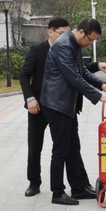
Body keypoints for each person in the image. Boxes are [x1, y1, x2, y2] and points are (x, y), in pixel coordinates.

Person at [40, 18, 106, 205]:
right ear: (81, 32)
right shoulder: (64, 46)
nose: (91, 44)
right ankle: (57, 192)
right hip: (56, 104)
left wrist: (101, 84)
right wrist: (99, 96)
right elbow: (74, 78)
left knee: (73, 147)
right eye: (90, 40)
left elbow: (81, 71)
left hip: (66, 105)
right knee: (61, 150)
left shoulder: (74, 44)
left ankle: (78, 188)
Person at [20, 17, 70, 197]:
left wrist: (97, 65)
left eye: (68, 34)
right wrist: (30, 99)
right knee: (35, 146)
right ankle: (34, 183)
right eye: (62, 34)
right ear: (50, 31)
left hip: (59, 107)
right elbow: (25, 76)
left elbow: (78, 70)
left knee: (63, 147)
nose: (65, 37)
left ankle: (66, 184)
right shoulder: (37, 50)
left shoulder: (67, 50)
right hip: (38, 107)